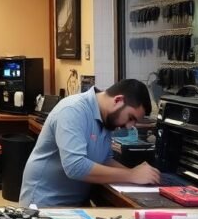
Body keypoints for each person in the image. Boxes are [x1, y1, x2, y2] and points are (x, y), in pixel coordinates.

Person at [19, 79, 161, 207]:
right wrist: (131, 175)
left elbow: (104, 160)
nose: (129, 126)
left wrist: (138, 175)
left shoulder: (106, 119)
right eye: (130, 118)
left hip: (76, 205)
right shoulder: (73, 110)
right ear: (118, 100)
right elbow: (75, 167)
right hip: (44, 204)